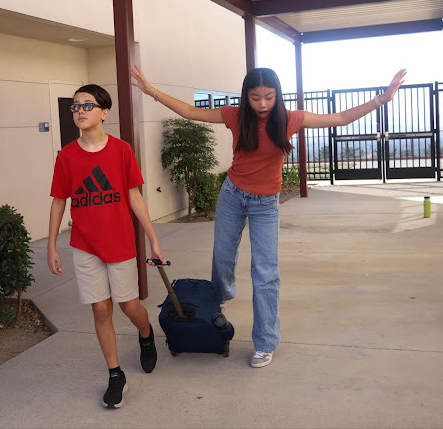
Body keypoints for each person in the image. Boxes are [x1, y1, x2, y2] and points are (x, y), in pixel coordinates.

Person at [131, 65, 406, 368]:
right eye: (255, 98)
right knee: (222, 258)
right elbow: (189, 111)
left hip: (265, 204)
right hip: (233, 195)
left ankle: (264, 342)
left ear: (278, 96)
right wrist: (150, 90)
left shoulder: (290, 119)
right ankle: (219, 298)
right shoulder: (234, 116)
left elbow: (338, 118)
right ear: (246, 97)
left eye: (269, 97)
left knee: (265, 273)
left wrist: (383, 99)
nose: (262, 105)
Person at [47, 84, 166, 408]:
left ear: (104, 112)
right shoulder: (67, 157)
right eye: (75, 106)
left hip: (120, 243)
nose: (80, 111)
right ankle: (115, 375)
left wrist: (153, 240)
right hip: (85, 245)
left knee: (129, 306)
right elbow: (59, 201)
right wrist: (52, 246)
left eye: (87, 105)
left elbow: (134, 198)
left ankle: (145, 334)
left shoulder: (121, 151)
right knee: (101, 309)